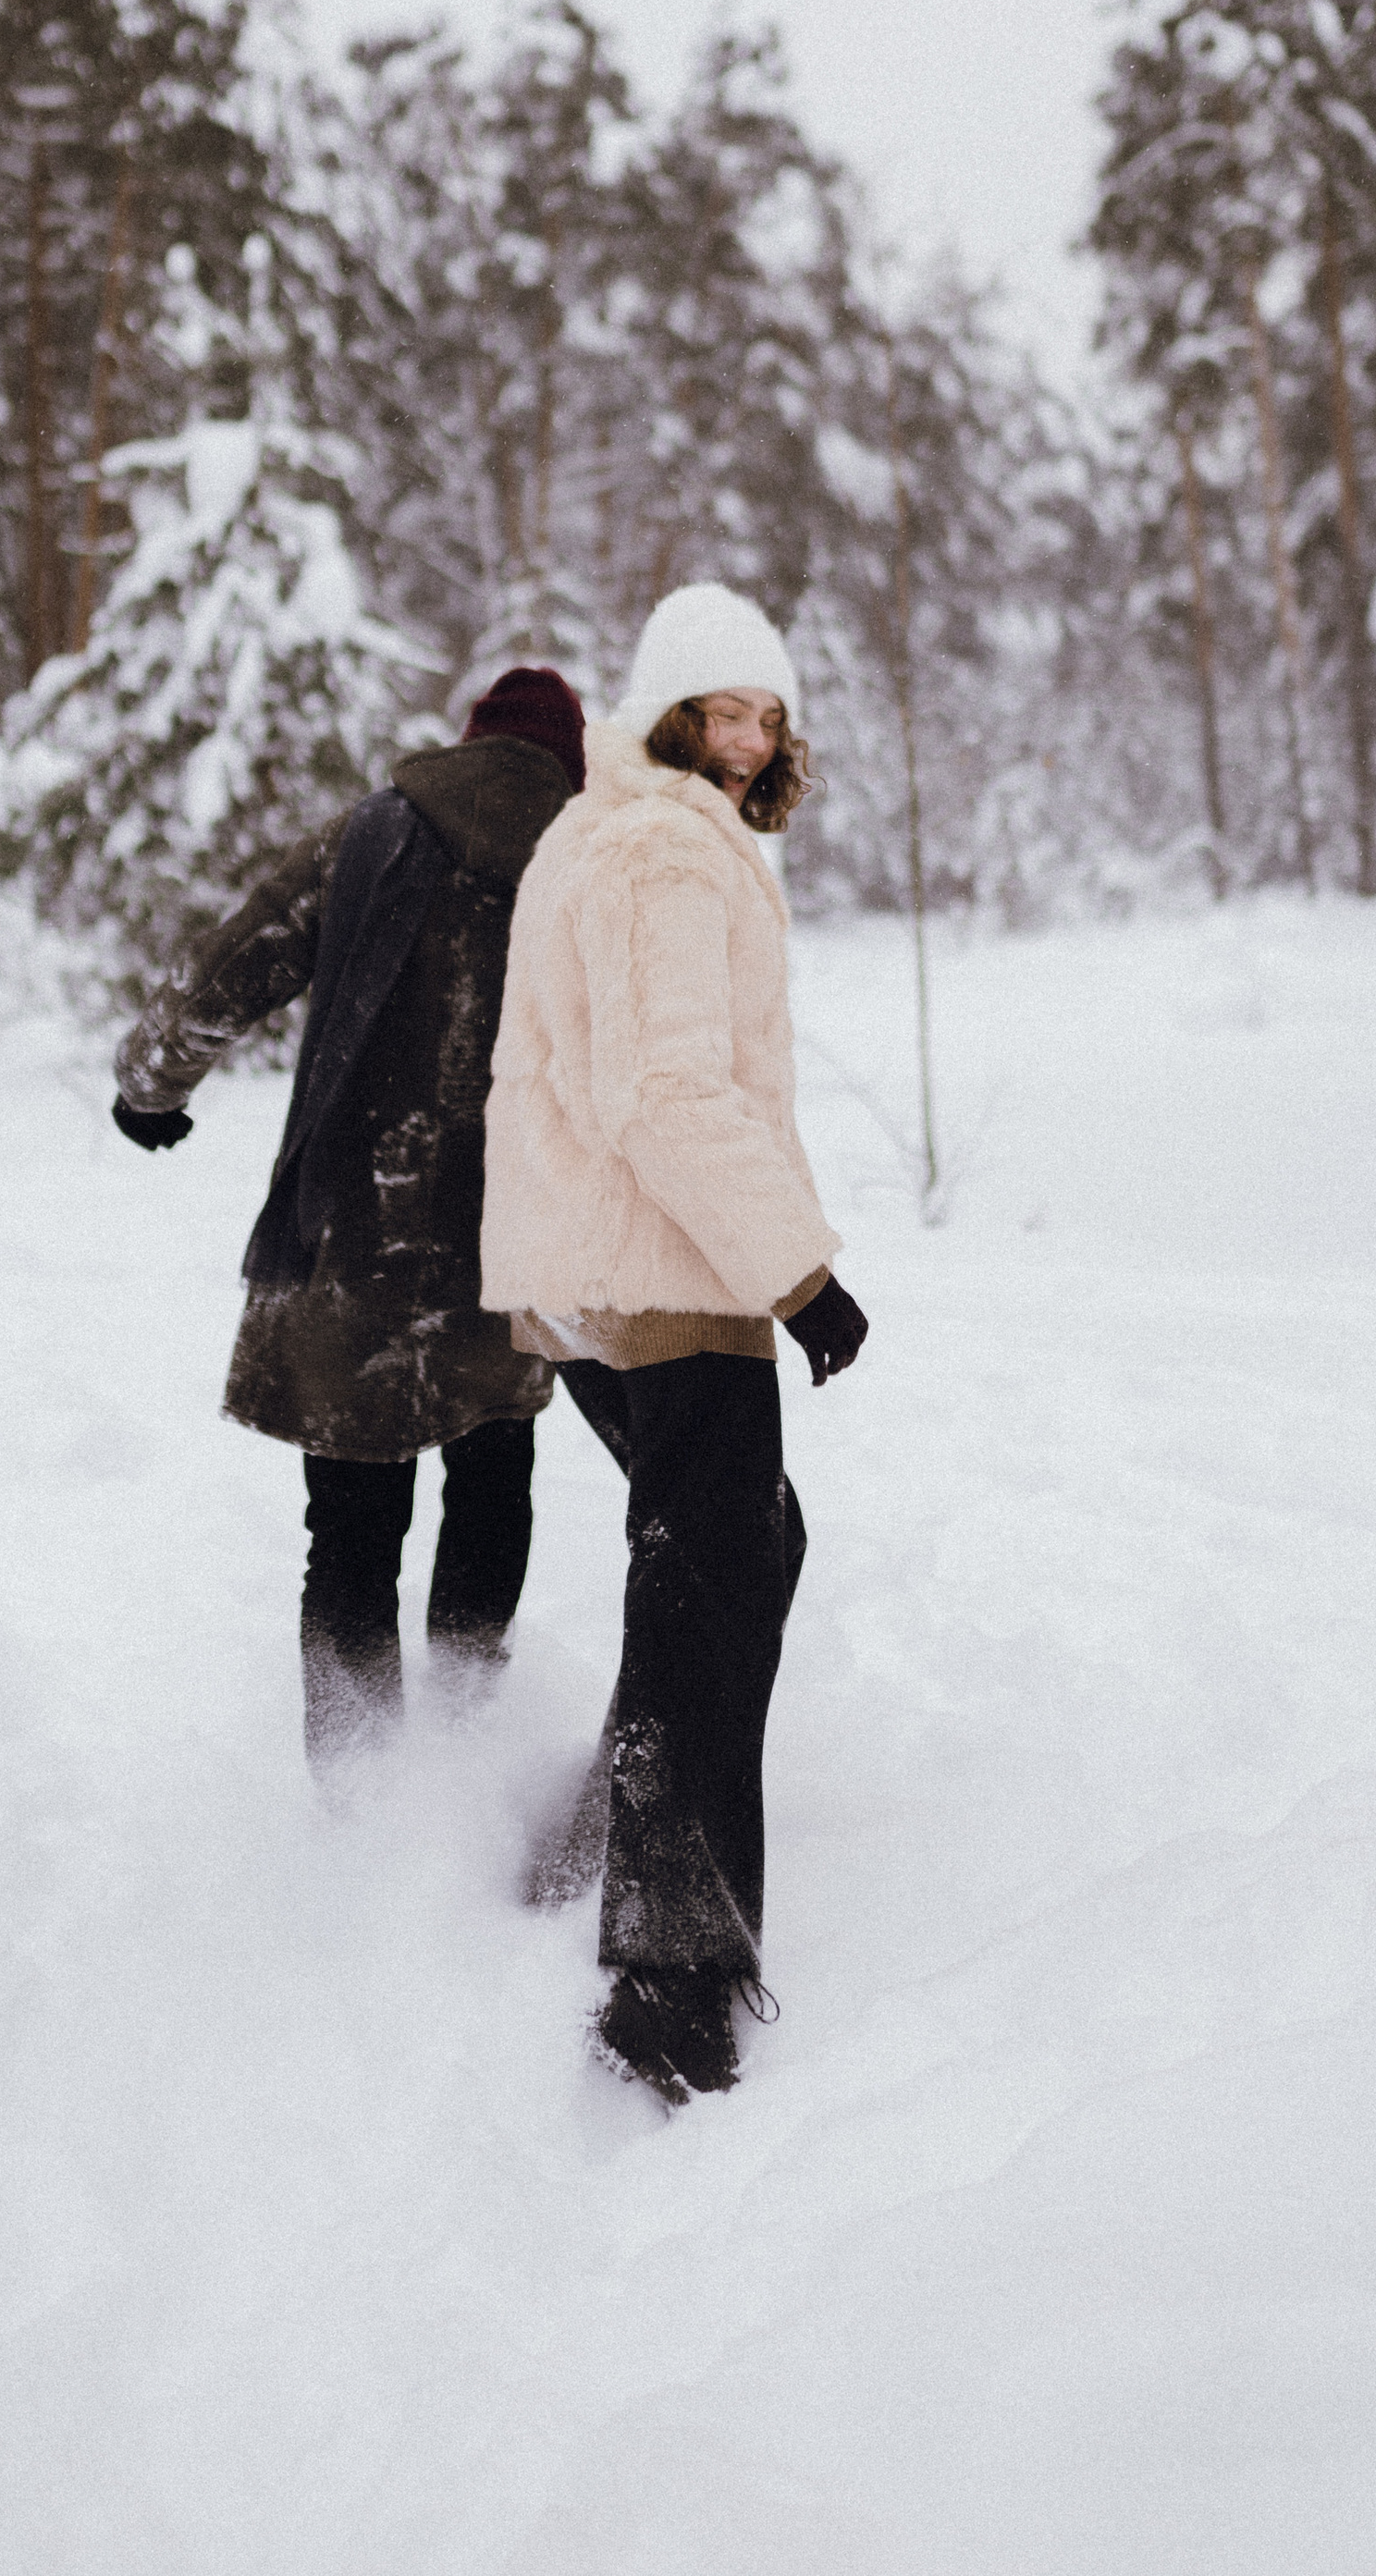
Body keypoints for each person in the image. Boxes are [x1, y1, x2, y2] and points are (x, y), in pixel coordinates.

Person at [480, 585, 867, 2102]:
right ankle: (668, 1976)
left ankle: (597, 1830)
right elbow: (666, 1094)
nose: (745, 737)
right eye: (719, 709)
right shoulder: (660, 846)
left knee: (735, 1544)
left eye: (766, 713)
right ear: (664, 716)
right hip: (672, 1266)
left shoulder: (633, 834)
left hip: (616, 1259)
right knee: (710, 1577)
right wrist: (803, 1276)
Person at [114, 667, 587, 1764]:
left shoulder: (374, 835)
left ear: (468, 740)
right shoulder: (585, 861)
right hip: (512, 1245)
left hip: (356, 1242)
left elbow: (234, 960)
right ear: (566, 760)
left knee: (351, 1537)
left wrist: (150, 1086)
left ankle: (360, 1804)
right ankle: (472, 1760)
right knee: (491, 1489)